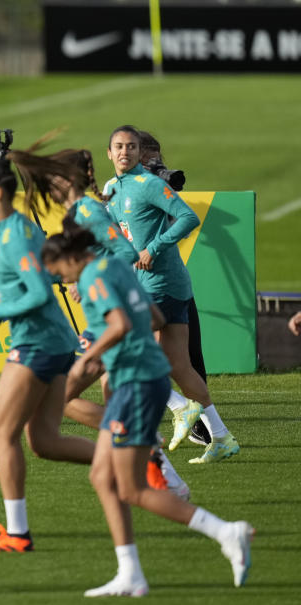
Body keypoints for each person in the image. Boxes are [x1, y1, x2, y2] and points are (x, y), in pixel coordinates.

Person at [42, 220, 254, 597]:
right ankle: (131, 573)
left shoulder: (93, 277)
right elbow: (154, 318)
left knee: (134, 489)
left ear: (72, 259)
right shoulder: (116, 268)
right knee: (102, 478)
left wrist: (86, 360)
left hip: (135, 385)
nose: (65, 285)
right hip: (147, 379)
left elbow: (120, 324)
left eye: (61, 276)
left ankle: (225, 531)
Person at [16, 147, 188, 499]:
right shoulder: (78, 213)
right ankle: (157, 467)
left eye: (53, 177)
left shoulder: (88, 211)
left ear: (67, 180)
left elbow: (124, 253)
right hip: (106, 318)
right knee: (108, 402)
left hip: (109, 323)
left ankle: (145, 450)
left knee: (61, 398)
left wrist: (90, 275)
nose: (48, 184)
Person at [0, 155, 95, 554]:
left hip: (37, 345)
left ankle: (18, 534)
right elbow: (51, 276)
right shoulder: (18, 230)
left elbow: (39, 292)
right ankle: (135, 454)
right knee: (44, 441)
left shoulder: (15, 236)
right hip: (55, 343)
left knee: (3, 435)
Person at [104, 125, 239, 464]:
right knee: (179, 364)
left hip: (160, 285)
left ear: (139, 153)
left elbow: (188, 217)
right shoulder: (112, 190)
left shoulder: (147, 185)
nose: (124, 152)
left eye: (131, 147)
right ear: (109, 153)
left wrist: (152, 248)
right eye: (118, 147)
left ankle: (180, 409)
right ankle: (221, 436)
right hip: (162, 286)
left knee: (125, 354)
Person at [137, 130, 211, 447]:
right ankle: (209, 428)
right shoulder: (120, 192)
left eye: (156, 160)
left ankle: (196, 421)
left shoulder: (157, 190)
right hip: (150, 283)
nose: (153, 166)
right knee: (165, 358)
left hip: (166, 283)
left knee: (183, 359)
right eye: (147, 160)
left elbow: (184, 219)